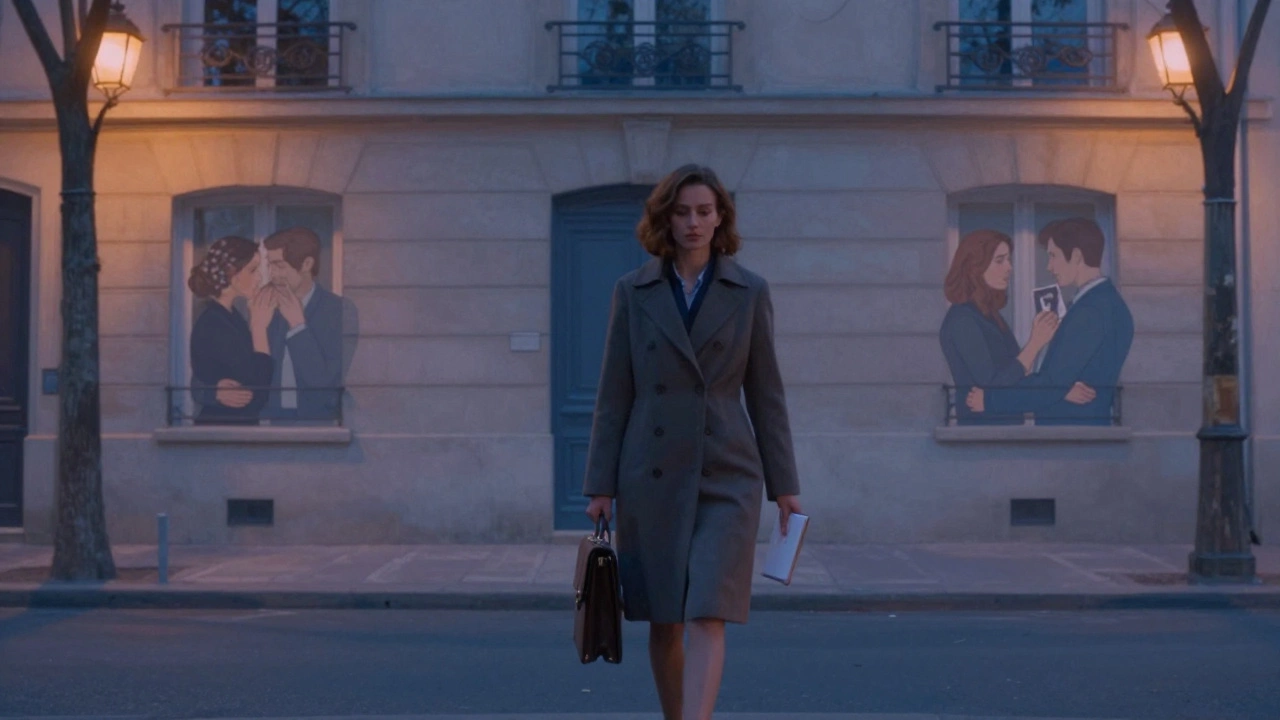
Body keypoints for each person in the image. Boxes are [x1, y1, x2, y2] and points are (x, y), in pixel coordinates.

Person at [582, 164, 802, 720]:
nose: (694, 223)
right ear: (666, 219)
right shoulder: (633, 292)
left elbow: (766, 393)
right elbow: (614, 394)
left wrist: (785, 486)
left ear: (721, 217)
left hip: (727, 473)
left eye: (704, 211)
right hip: (652, 474)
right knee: (665, 619)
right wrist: (600, 485)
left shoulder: (749, 292)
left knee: (708, 609)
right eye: (682, 212)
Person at [967, 217, 1134, 425]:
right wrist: (1062, 390)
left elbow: (1052, 383)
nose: (1049, 266)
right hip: (1083, 427)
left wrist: (990, 400)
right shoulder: (1106, 303)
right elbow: (1060, 382)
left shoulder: (1090, 310)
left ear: (1076, 256)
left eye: (1053, 256)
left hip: (1071, 430)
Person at [939, 229, 1060, 425]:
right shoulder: (963, 319)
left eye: (1008, 260)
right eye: (999, 261)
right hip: (982, 430)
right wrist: (1035, 344)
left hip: (1003, 427)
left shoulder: (989, 316)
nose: (1009, 268)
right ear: (975, 267)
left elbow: (1014, 375)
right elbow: (992, 383)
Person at [187, 236, 276, 425]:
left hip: (232, 427)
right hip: (222, 429)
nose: (259, 278)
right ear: (232, 273)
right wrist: (259, 328)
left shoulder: (230, 317)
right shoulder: (215, 324)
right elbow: (256, 394)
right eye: (253, 270)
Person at [262, 226, 344, 423]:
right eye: (270, 266)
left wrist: (298, 325)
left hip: (317, 423)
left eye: (280, 266)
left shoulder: (336, 309)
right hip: (272, 421)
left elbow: (323, 381)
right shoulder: (266, 307)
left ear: (307, 264)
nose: (273, 275)